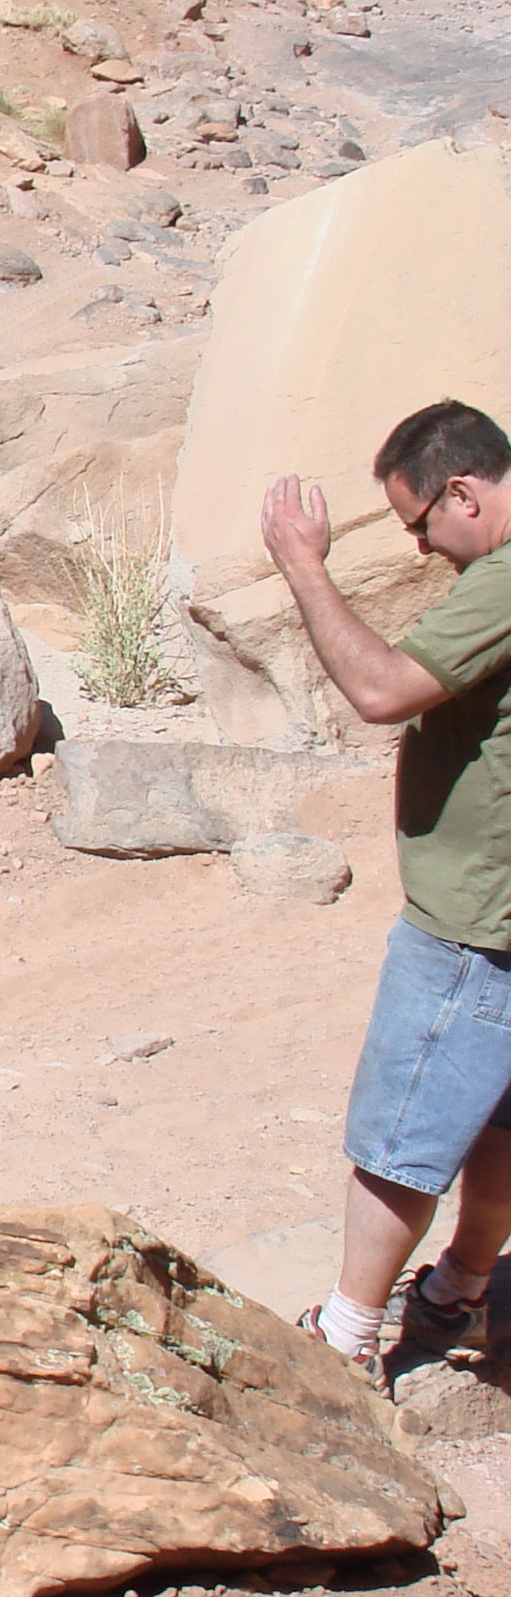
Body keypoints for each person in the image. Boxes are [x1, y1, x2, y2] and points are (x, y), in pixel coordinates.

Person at [262, 398, 511, 1382]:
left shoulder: (504, 580)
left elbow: (381, 691)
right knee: (498, 1122)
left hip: (475, 919)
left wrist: (304, 568)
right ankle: (459, 1290)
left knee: (404, 1132)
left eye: (420, 522)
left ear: (464, 492)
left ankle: (347, 1338)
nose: (419, 546)